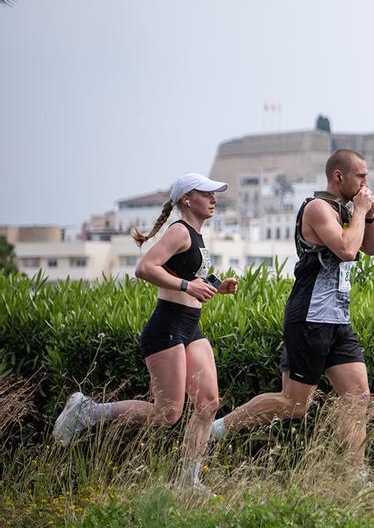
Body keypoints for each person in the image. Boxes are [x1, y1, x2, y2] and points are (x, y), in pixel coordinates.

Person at [53, 173, 238, 496]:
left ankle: (189, 481)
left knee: (208, 402)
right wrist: (186, 286)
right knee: (168, 413)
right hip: (166, 327)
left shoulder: (196, 234)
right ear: (186, 200)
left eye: (214, 194)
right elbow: (145, 268)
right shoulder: (179, 231)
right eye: (206, 193)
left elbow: (191, 273)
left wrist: (215, 285)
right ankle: (89, 411)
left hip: (190, 326)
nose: (214, 199)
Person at [209, 149, 374, 480]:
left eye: (367, 177)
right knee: (294, 404)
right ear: (338, 176)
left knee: (358, 396)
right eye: (361, 176)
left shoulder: (348, 211)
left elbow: (370, 248)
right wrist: (359, 210)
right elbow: (347, 250)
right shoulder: (318, 208)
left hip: (338, 320)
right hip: (310, 317)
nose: (366, 182)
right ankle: (215, 430)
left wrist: (369, 216)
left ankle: (355, 472)